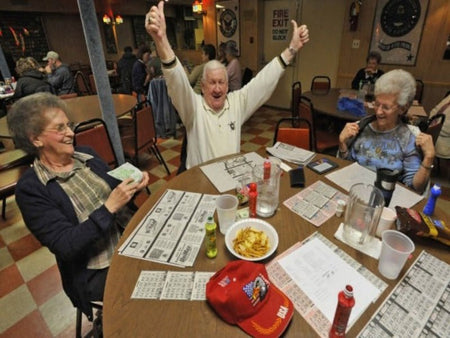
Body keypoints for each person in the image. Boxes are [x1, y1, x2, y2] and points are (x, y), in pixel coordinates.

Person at [7, 92, 149, 319]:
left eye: (69, 125)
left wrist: (133, 186)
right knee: (152, 295)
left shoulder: (87, 155)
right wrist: (109, 207)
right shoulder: (32, 189)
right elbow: (65, 245)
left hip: (130, 237)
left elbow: (117, 192)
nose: (71, 133)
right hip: (96, 269)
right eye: (60, 128)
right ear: (36, 139)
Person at [145, 1, 309, 171]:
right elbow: (177, 82)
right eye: (212, 83)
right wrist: (161, 40)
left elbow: (263, 82)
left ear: (227, 85)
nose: (217, 89)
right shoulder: (193, 108)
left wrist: (291, 50)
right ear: (202, 86)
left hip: (231, 181)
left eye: (221, 82)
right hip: (200, 183)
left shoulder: (237, 103)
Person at [338, 69, 435, 194]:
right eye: (377, 104)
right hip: (355, 192)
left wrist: (429, 158)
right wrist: (342, 143)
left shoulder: (408, 138)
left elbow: (415, 188)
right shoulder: (361, 127)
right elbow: (347, 168)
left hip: (386, 202)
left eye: (386, 107)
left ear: (402, 108)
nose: (378, 111)